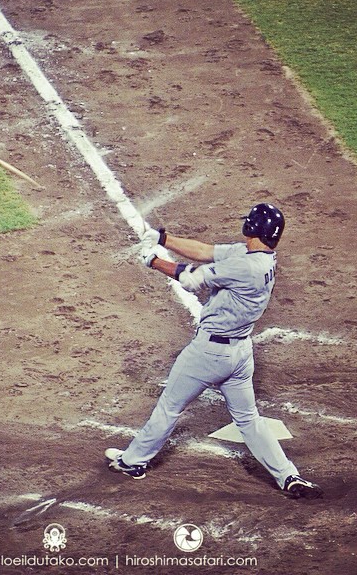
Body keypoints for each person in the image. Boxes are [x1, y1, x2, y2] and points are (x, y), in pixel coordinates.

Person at [105, 203, 323, 499]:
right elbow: (206, 251)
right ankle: (288, 476)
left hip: (208, 354)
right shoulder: (261, 257)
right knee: (248, 419)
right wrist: (162, 238)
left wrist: (152, 261)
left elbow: (191, 279)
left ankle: (132, 462)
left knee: (170, 406)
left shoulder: (243, 266)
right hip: (240, 355)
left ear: (252, 228)